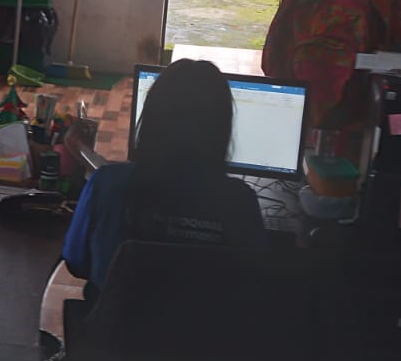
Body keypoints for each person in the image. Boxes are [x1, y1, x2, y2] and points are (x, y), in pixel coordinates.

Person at [62, 58, 266, 301]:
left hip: (116, 324)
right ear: (222, 128)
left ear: (150, 119)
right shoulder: (240, 202)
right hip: (204, 325)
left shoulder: (107, 185)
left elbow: (77, 263)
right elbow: (251, 278)